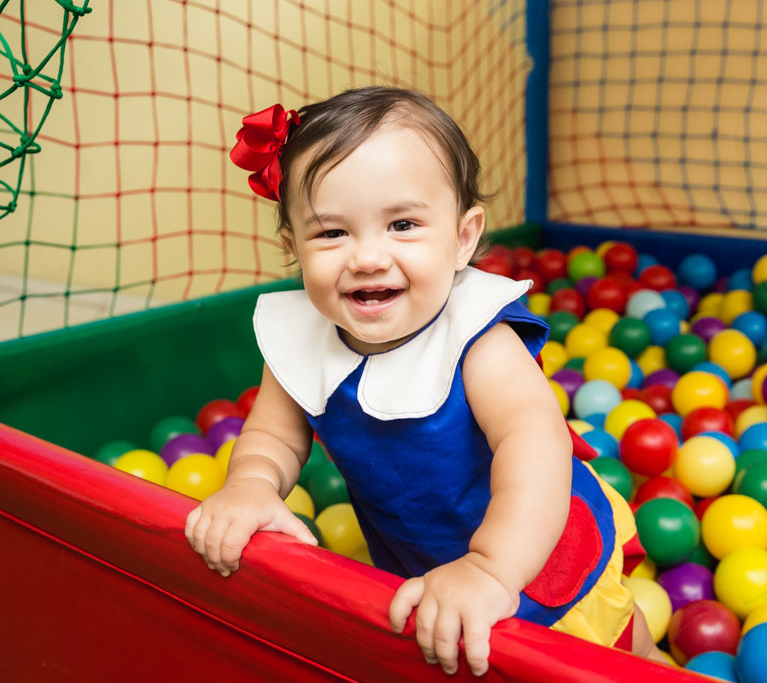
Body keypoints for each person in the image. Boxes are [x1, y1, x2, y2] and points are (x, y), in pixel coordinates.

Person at [185, 86, 660, 675]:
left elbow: (535, 442)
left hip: (528, 544)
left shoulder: (477, 339)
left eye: (402, 224)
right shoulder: (300, 339)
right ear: (293, 247)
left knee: (610, 649)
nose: (367, 257)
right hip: (425, 560)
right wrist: (251, 486)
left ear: (463, 238)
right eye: (332, 233)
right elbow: (273, 440)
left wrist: (490, 567)